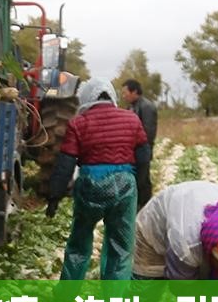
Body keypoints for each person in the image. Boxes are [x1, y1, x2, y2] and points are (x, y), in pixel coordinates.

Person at [45, 79, 148, 289]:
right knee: (120, 247)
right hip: (124, 185)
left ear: (86, 98)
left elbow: (66, 163)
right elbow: (144, 156)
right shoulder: (132, 119)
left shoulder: (78, 123)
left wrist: (54, 197)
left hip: (90, 186)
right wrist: (138, 187)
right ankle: (114, 301)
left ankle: (65, 297)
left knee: (79, 243)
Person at [121, 78, 159, 206]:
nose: (124, 96)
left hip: (142, 151)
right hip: (133, 150)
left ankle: (144, 207)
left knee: (142, 182)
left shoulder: (147, 107)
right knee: (137, 180)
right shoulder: (131, 106)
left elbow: (148, 133)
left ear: (134, 92)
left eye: (125, 92)